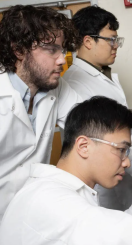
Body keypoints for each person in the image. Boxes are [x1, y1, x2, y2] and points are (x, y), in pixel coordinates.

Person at [0, 96, 132, 245]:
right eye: (121, 150)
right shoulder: (55, 204)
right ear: (83, 146)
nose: (126, 162)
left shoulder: (54, 191)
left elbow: (107, 234)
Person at [63, 5, 132, 210]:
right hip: (108, 183)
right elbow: (104, 138)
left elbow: (121, 128)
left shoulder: (104, 75)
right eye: (110, 39)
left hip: (124, 170)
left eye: (117, 39)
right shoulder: (73, 84)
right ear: (88, 41)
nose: (116, 45)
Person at [0, 5, 81, 224]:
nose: (62, 59)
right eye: (51, 49)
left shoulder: (56, 87)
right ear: (19, 50)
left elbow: (90, 123)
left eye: (62, 49)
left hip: (33, 214)